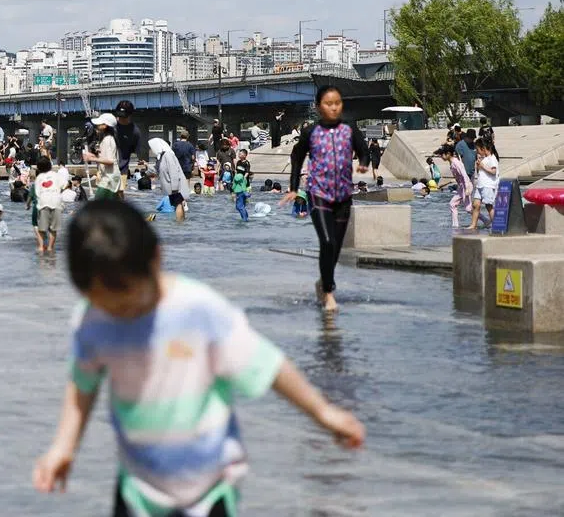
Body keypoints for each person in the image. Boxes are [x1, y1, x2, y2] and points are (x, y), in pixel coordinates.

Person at [33, 201, 365, 516]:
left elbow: (267, 365)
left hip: (209, 489)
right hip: (138, 488)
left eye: (128, 301)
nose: (121, 314)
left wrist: (322, 412)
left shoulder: (198, 309)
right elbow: (82, 384)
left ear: (156, 260)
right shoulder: (93, 319)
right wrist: (64, 446)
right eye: (104, 303)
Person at [283, 85, 370, 313]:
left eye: (337, 103)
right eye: (328, 103)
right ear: (318, 107)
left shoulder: (349, 128)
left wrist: (363, 163)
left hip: (343, 195)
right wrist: (293, 188)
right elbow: (297, 157)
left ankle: (322, 281)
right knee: (327, 242)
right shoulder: (310, 132)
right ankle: (329, 292)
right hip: (318, 193)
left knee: (337, 248)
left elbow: (364, 150)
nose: (334, 107)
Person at [147, 138, 188, 223]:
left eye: (152, 147)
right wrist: (145, 171)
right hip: (170, 187)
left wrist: (175, 188)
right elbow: (156, 170)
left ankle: (179, 224)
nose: (151, 149)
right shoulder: (161, 157)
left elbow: (174, 171)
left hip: (175, 186)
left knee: (178, 204)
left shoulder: (168, 155)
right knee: (178, 205)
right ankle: (181, 223)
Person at [83, 113, 122, 200]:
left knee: (98, 207)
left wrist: (91, 158)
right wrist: (94, 155)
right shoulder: (109, 138)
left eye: (99, 123)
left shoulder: (107, 139)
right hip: (111, 178)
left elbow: (110, 161)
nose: (96, 125)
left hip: (109, 179)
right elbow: (106, 157)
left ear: (105, 126)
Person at [33, 156, 65, 253]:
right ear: (50, 165)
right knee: (53, 229)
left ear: (39, 168)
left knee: (41, 228)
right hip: (56, 203)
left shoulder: (39, 178)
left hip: (44, 203)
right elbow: (64, 185)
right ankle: (50, 247)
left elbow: (37, 193)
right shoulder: (56, 175)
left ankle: (41, 247)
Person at [436, 145, 473, 228]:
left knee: (468, 209)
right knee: (452, 204)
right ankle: (455, 226)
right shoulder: (452, 162)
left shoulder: (455, 162)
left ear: (448, 154)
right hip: (462, 187)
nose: (441, 157)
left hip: (466, 186)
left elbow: (464, 174)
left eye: (442, 155)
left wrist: (467, 188)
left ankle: (486, 220)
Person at [469, 137, 500, 230]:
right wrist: (478, 166)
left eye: (478, 149)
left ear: (483, 148)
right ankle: (473, 225)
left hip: (488, 185)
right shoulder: (485, 158)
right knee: (476, 205)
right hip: (480, 185)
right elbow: (480, 171)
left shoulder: (492, 158)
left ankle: (496, 225)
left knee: (488, 206)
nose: (477, 152)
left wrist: (482, 166)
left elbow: (493, 171)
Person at [113, 101, 143, 191]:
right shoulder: (110, 126)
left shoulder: (135, 132)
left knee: (120, 194)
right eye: (119, 115)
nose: (120, 118)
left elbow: (136, 151)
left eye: (123, 116)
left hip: (122, 170)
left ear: (130, 115)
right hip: (107, 167)